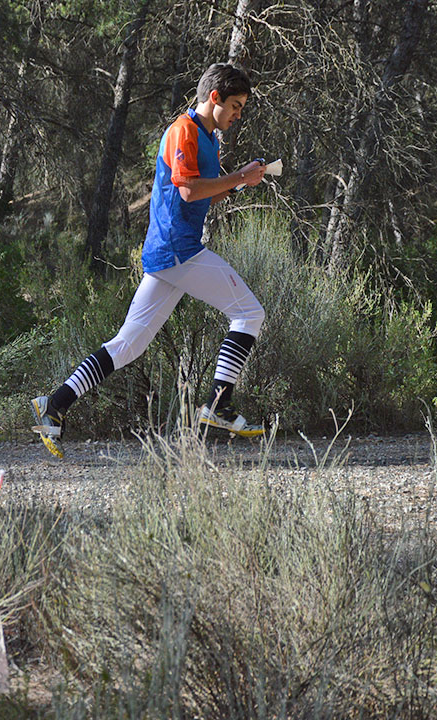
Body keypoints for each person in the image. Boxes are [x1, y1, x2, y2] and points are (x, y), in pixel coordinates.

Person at [30, 62, 268, 458]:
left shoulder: (209, 136)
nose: (239, 114)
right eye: (237, 105)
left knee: (127, 346)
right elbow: (190, 192)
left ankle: (54, 404)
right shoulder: (183, 131)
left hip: (169, 255)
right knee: (249, 315)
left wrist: (244, 179)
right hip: (180, 250)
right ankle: (218, 406)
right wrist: (239, 177)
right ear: (215, 99)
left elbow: (207, 191)